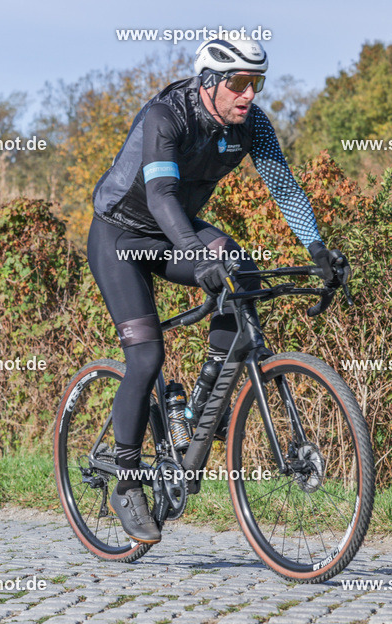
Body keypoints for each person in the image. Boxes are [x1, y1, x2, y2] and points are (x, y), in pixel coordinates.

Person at [87, 37, 348, 544]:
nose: (248, 94)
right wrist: (196, 252)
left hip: (175, 229)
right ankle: (126, 480)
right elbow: (160, 194)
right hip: (121, 233)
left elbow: (285, 187)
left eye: (257, 83)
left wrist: (318, 249)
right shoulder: (168, 115)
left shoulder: (252, 124)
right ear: (208, 82)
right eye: (239, 83)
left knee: (244, 276)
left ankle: (199, 408)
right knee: (145, 356)